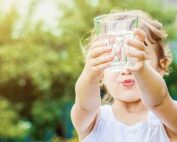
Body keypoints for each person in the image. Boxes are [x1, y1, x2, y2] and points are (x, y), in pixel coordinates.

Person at [70, 10, 177, 142]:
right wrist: (89, 75)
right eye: (115, 57)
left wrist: (141, 69)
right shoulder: (92, 121)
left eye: (138, 54)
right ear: (101, 74)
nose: (127, 69)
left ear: (161, 66)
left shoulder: (169, 118)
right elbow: (84, 105)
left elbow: (159, 101)